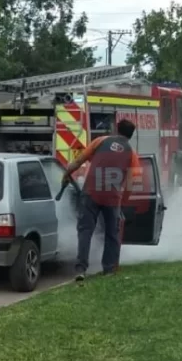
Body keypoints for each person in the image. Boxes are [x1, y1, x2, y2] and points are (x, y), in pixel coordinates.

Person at [62, 119, 142, 281]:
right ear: (131, 136)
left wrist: (66, 175)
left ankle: (80, 269)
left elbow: (78, 161)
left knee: (85, 231)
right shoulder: (132, 153)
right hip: (112, 197)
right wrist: (122, 202)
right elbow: (132, 183)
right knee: (112, 234)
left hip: (91, 192)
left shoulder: (100, 141)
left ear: (115, 129)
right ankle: (109, 269)